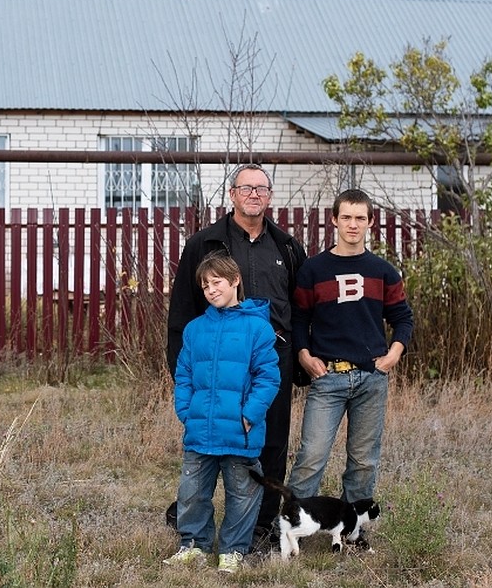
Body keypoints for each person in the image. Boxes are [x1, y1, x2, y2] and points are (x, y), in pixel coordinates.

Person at [165, 163, 307, 548]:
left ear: (270, 196)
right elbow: (182, 311)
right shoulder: (204, 245)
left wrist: (302, 358)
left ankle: (259, 530)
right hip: (216, 368)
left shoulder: (288, 247)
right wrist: (182, 373)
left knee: (271, 445)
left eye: (262, 188)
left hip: (271, 362)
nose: (254, 194)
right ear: (232, 194)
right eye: (246, 187)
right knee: (209, 449)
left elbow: (301, 308)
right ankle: (195, 527)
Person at [287, 188, 414, 511]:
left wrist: (393, 354)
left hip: (371, 378)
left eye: (360, 218)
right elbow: (299, 319)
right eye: (346, 217)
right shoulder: (314, 269)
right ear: (334, 220)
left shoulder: (382, 271)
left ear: (370, 222)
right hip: (328, 377)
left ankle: (353, 529)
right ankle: (288, 526)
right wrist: (304, 355)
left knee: (363, 460)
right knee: (312, 456)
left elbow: (402, 317)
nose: (353, 224)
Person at [163, 251, 281, 573]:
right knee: (192, 493)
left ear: (235, 281)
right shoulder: (195, 329)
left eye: (217, 282)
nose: (211, 290)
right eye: (205, 285)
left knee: (242, 495)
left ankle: (233, 551)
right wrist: (186, 411)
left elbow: (268, 377)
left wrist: (249, 415)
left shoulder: (257, 328)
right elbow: (184, 373)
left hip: (240, 432)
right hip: (199, 429)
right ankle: (194, 545)